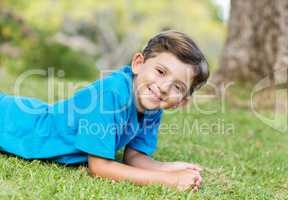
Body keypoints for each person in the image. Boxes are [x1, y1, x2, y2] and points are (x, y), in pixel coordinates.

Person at [0, 30, 209, 192]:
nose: (164, 87)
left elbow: (134, 156)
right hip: (16, 124)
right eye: (161, 71)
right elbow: (99, 167)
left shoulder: (152, 104)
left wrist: (166, 167)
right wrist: (168, 180)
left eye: (177, 87)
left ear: (182, 100)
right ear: (138, 64)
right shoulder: (111, 93)